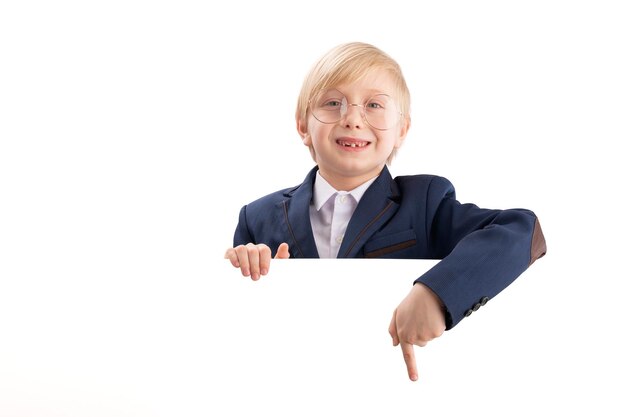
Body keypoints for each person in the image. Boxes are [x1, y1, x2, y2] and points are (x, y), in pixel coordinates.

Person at [224, 42, 546, 381]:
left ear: (401, 131)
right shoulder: (256, 219)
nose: (352, 119)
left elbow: (522, 230)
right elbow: (236, 330)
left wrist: (438, 294)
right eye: (333, 103)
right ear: (303, 125)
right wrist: (246, 269)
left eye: (374, 105)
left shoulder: (426, 203)